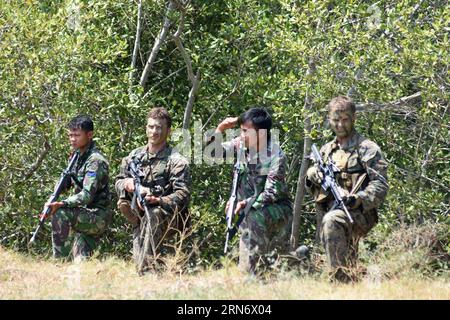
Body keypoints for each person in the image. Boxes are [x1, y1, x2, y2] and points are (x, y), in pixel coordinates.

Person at [306, 96, 389, 282]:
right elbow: (314, 183)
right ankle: (352, 280)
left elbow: (381, 184)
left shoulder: (367, 148)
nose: (340, 125)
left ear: (354, 119)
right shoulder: (327, 150)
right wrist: (312, 175)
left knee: (331, 221)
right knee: (334, 229)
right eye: (336, 120)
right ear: (329, 119)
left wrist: (358, 198)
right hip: (332, 208)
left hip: (359, 212)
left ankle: (338, 282)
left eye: (345, 120)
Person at [208, 107, 293, 274]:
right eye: (241, 131)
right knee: (269, 260)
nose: (241, 135)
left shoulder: (276, 156)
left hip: (275, 209)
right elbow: (212, 153)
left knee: (253, 215)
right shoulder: (241, 146)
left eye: (246, 131)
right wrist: (220, 129)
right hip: (247, 208)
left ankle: (251, 273)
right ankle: (254, 269)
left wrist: (244, 203)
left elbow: (272, 193)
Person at [115, 107, 191, 269]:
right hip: (139, 212)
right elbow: (118, 181)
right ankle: (146, 268)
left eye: (159, 127)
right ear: (146, 128)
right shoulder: (134, 156)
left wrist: (158, 199)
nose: (154, 131)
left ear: (168, 131)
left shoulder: (176, 160)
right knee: (125, 204)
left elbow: (183, 194)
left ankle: (146, 270)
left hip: (167, 216)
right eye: (151, 127)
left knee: (153, 214)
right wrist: (128, 184)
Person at [46, 115, 112, 260]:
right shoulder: (76, 157)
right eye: (70, 135)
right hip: (84, 214)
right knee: (82, 263)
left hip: (97, 216)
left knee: (61, 213)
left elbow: (87, 195)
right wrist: (52, 200)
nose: (72, 139)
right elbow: (66, 184)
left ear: (89, 135)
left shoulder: (95, 161)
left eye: (77, 135)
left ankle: (60, 262)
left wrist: (62, 203)